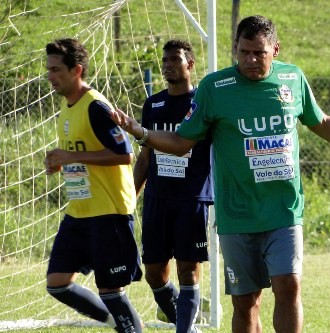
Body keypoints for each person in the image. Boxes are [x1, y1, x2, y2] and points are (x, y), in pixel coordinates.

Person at [112, 15, 330, 333]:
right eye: (244, 52)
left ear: (275, 49)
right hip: (236, 216)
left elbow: (321, 123)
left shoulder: (293, 79)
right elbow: (182, 141)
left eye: (259, 53)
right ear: (235, 50)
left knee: (289, 287)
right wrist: (141, 132)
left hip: (284, 210)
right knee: (246, 302)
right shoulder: (214, 88)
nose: (251, 60)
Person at [44, 38, 143, 333]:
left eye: (56, 69)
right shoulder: (66, 105)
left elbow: (125, 153)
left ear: (77, 70)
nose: (50, 75)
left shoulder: (96, 106)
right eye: (48, 69)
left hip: (109, 211)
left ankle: (126, 325)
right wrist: (61, 161)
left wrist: (72, 155)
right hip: (80, 211)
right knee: (58, 284)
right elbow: (82, 153)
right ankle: (117, 323)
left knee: (111, 291)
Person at [134, 39, 213, 333]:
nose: (167, 65)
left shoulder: (202, 104)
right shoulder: (153, 105)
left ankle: (185, 330)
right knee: (154, 272)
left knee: (188, 270)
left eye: (174, 60)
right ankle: (187, 323)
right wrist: (130, 195)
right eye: (164, 60)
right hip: (157, 198)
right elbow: (145, 157)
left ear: (189, 64)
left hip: (191, 199)